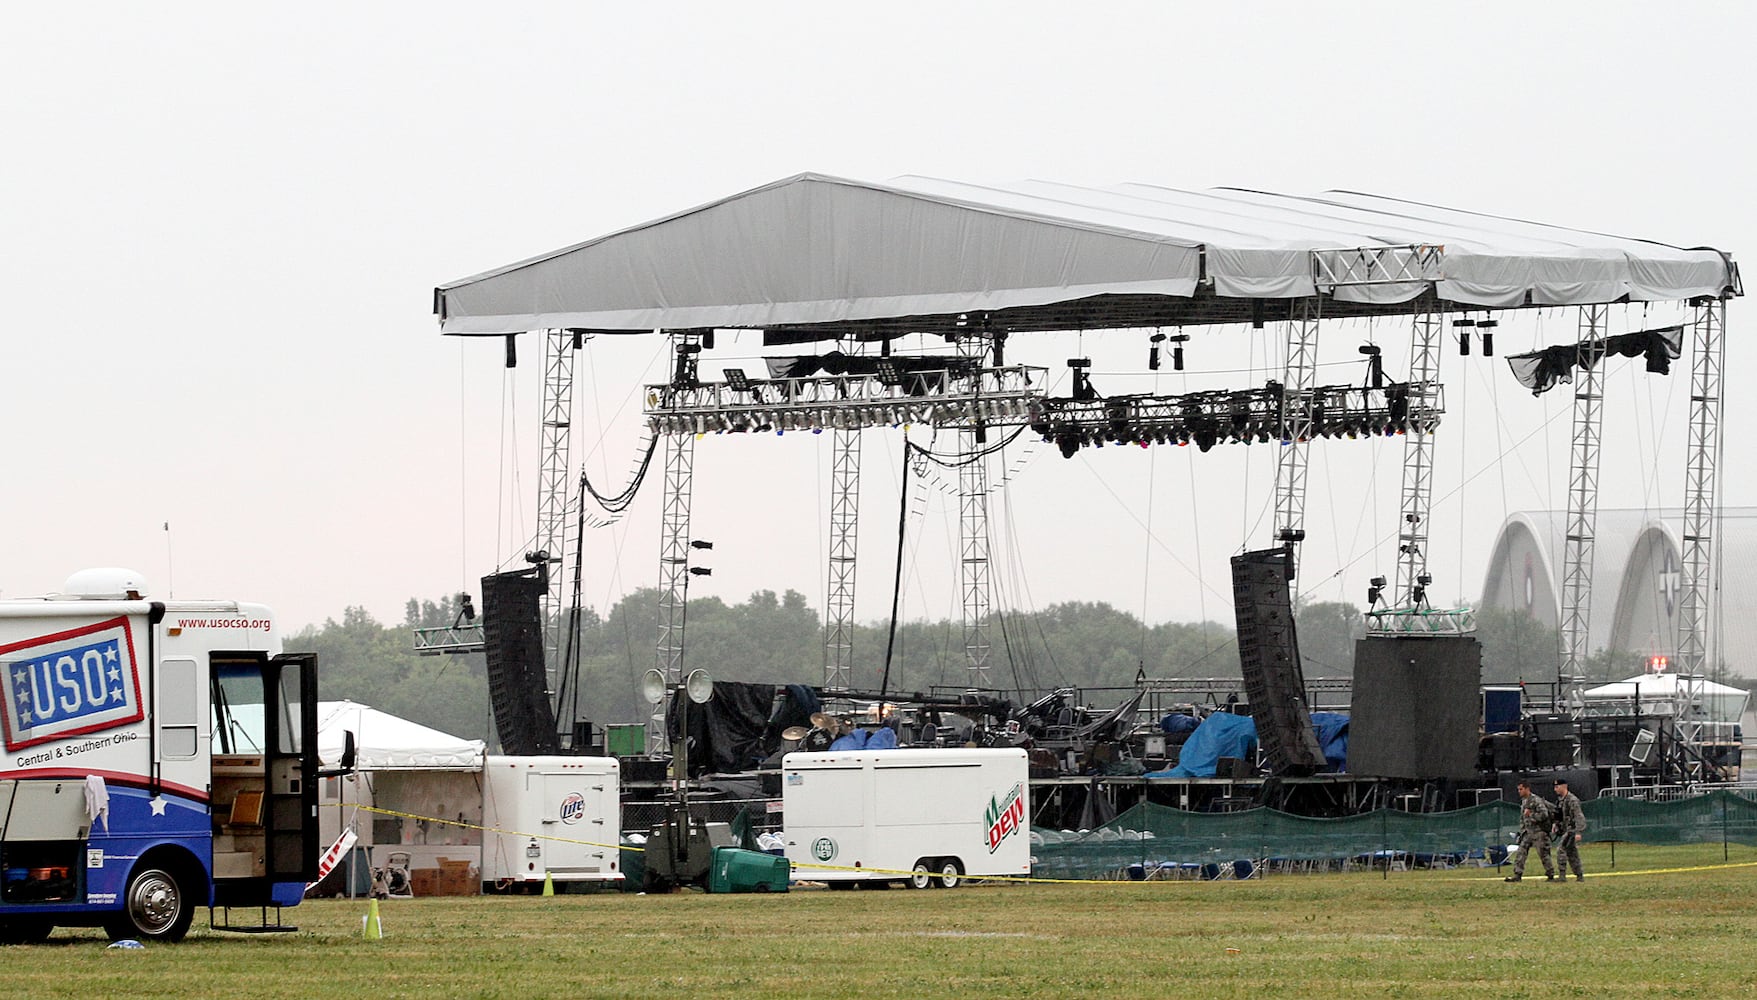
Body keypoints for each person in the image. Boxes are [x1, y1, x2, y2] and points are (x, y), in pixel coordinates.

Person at [1505, 779, 1556, 882]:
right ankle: (1517, 874)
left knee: (1543, 854)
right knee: (1521, 852)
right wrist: (1522, 830)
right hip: (1527, 832)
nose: (1519, 791)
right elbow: (1523, 818)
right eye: (1518, 789)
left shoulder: (1536, 800)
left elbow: (1544, 815)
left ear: (1527, 789)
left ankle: (1550, 874)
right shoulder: (1524, 801)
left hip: (1539, 832)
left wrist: (1531, 815)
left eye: (1521, 789)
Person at [1551, 778, 1587, 882]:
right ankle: (1579, 876)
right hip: (1566, 829)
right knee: (1572, 852)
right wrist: (1555, 824)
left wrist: (1578, 832)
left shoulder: (1572, 800)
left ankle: (1562, 875)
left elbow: (1579, 816)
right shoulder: (1560, 800)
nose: (1555, 789)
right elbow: (1559, 815)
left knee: (1561, 849)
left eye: (1557, 787)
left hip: (1572, 830)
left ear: (1564, 786)